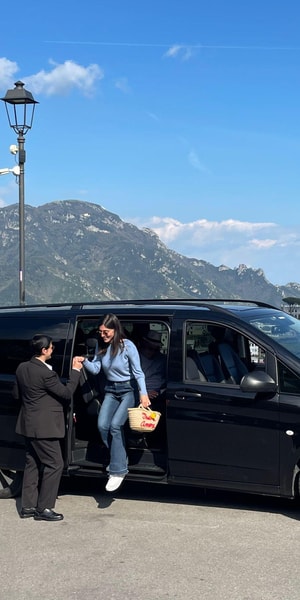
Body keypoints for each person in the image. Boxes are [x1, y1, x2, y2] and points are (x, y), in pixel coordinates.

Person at [13, 334, 84, 521]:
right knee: (55, 464)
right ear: (44, 350)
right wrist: (75, 371)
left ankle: (27, 506)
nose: (53, 350)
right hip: (44, 427)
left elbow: (16, 394)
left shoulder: (22, 368)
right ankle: (44, 508)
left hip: (28, 423)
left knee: (32, 463)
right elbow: (67, 393)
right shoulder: (46, 373)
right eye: (51, 347)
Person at [83, 313, 150, 493]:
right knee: (102, 425)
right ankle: (119, 458)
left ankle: (118, 470)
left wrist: (143, 394)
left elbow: (138, 372)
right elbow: (96, 369)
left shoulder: (127, 346)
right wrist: (83, 362)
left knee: (115, 425)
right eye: (100, 332)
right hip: (111, 390)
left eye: (106, 332)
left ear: (115, 329)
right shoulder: (101, 345)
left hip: (129, 389)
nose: (103, 335)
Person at [138, 330, 167, 400]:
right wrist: (143, 394)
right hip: (143, 395)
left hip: (161, 392)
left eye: (156, 349)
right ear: (144, 345)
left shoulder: (162, 358)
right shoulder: (136, 359)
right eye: (150, 348)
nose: (153, 352)